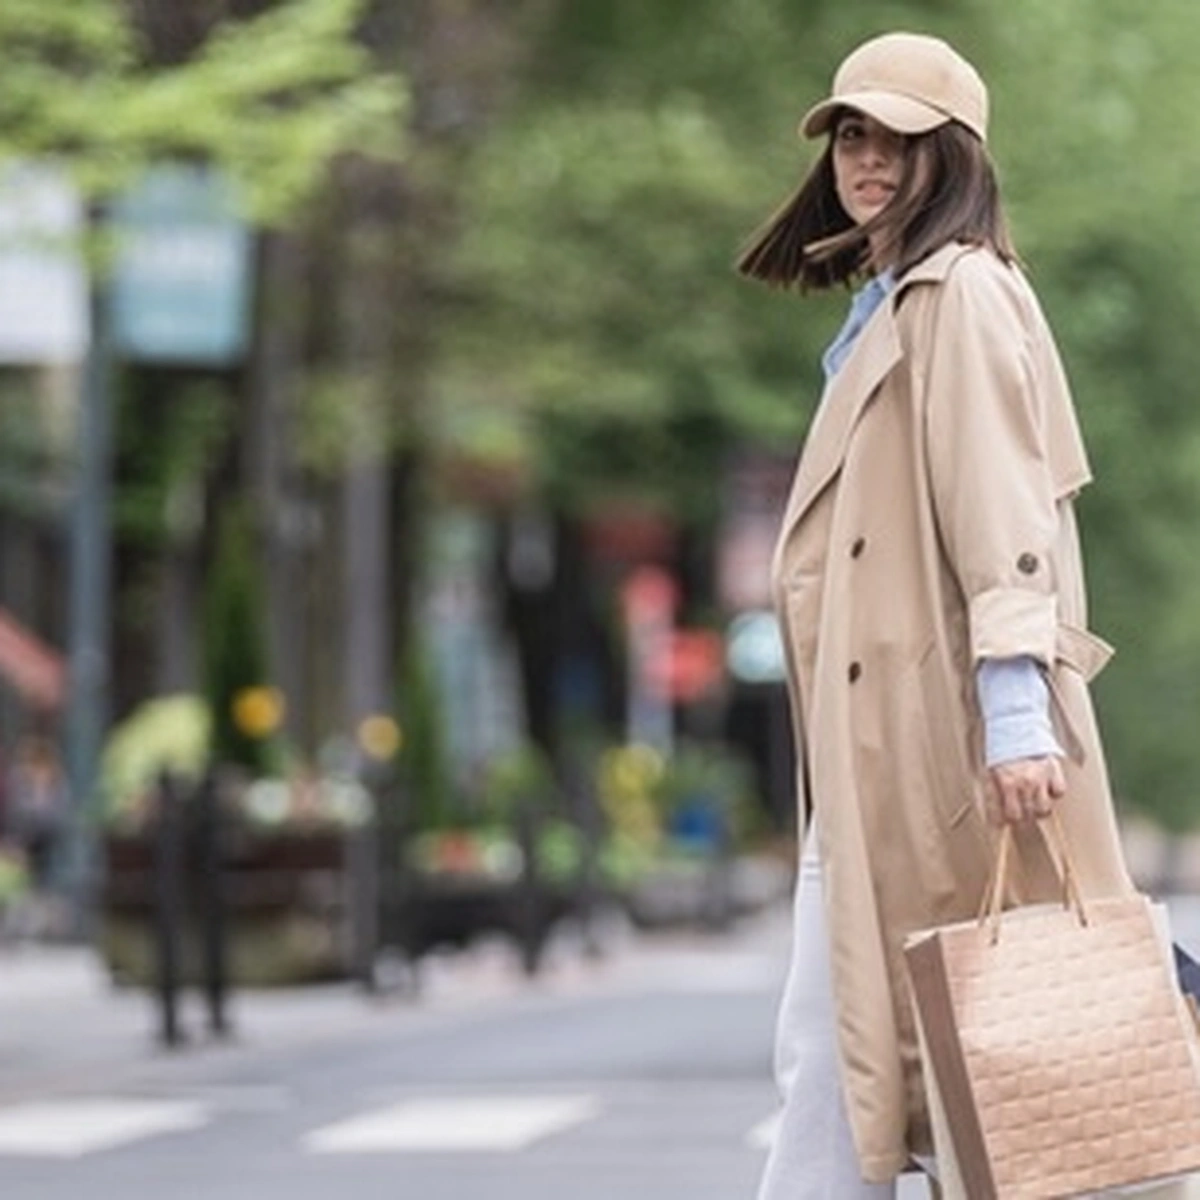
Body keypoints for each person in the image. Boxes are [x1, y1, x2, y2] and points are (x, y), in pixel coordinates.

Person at [738, 32, 1136, 1198]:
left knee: (877, 1059)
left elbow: (1001, 508)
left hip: (939, 753)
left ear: (951, 155)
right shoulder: (894, 304)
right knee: (844, 1058)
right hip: (879, 755)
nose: (866, 160)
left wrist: (1015, 714)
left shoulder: (957, 295)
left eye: (896, 138)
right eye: (853, 135)